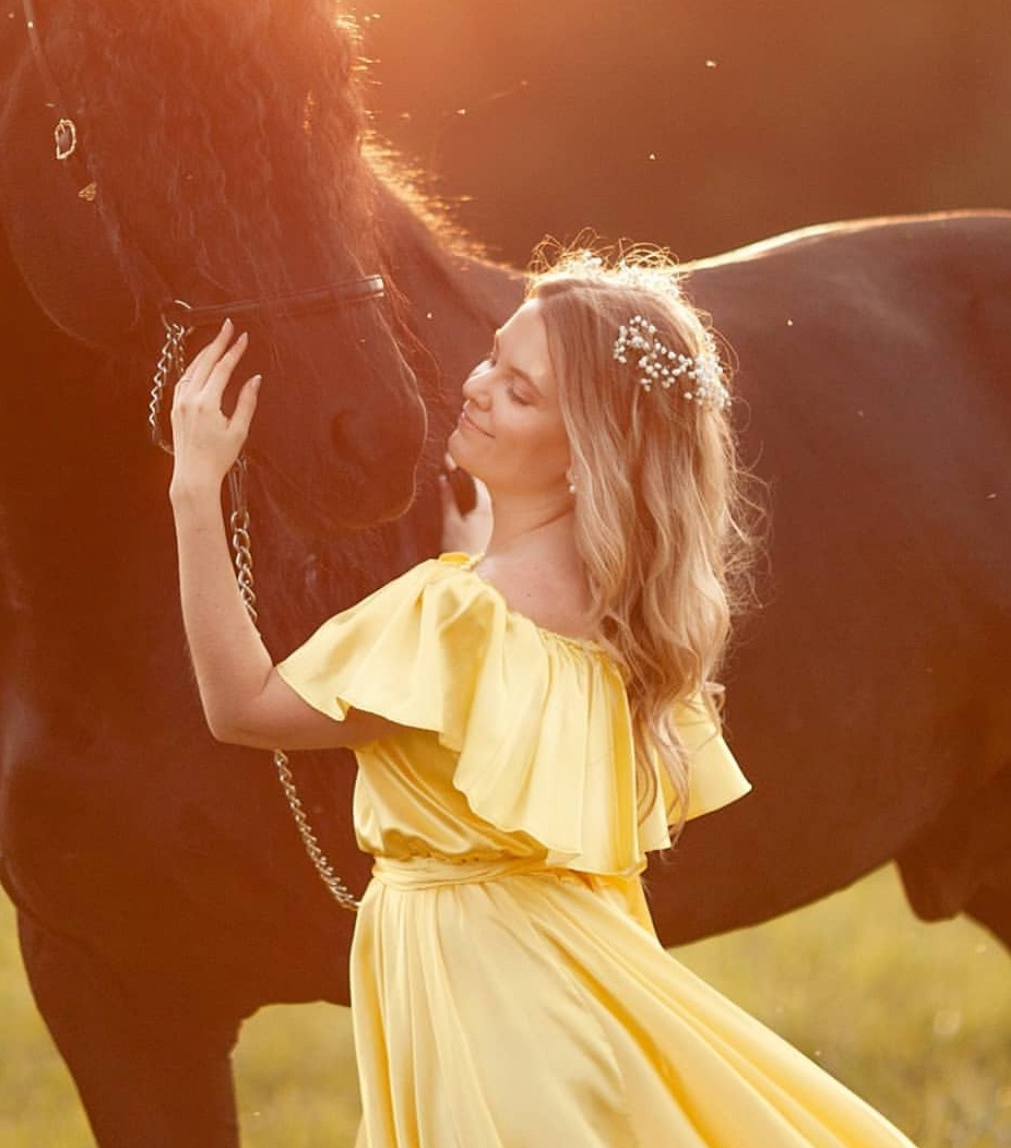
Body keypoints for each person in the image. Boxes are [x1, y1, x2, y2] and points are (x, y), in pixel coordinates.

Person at [168, 245, 918, 1148]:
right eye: (493, 355)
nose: (477, 385)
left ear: (584, 455)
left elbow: (240, 708)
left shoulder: (449, 616)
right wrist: (478, 534)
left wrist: (195, 485)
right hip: (584, 990)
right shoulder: (628, 617)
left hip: (487, 1009)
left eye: (520, 392)